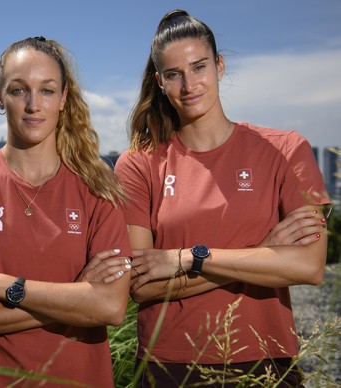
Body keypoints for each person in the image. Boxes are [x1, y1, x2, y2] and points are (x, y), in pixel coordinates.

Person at [114, 9, 331, 387]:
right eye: (173, 74)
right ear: (159, 82)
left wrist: (189, 258)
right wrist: (265, 250)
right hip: (169, 365)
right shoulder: (138, 164)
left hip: (268, 360)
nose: (189, 84)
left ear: (219, 65)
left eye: (199, 67)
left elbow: (308, 266)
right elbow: (141, 286)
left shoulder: (286, 149)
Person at [0, 36, 132, 387]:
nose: (34, 105)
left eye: (47, 91)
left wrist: (8, 288)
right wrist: (74, 297)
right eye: (19, 90)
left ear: (64, 98)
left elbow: (110, 307)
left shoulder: (99, 189)